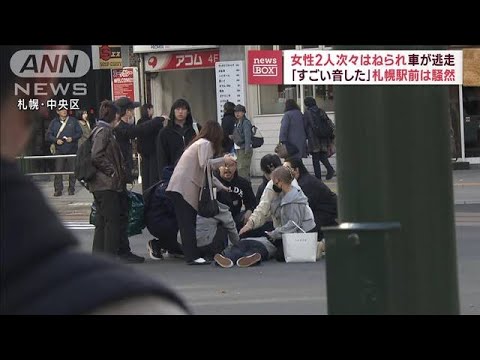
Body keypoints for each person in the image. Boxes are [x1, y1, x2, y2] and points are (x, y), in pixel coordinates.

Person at [0, 45, 189, 314]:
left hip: (104, 186)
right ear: (42, 81)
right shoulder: (127, 304)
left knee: (105, 220)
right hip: (106, 185)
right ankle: (111, 256)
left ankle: (110, 254)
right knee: (111, 221)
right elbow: (110, 149)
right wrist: (113, 173)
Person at [166, 120, 236, 265]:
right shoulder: (205, 144)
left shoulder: (199, 143)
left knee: (188, 222)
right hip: (184, 188)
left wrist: (221, 186)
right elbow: (205, 165)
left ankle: (191, 255)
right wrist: (224, 160)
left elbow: (206, 171)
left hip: (179, 187)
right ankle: (192, 257)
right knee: (188, 223)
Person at [265, 166, 316, 261]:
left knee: (279, 256)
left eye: (273, 181)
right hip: (294, 232)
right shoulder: (286, 194)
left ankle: (317, 246)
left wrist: (275, 233)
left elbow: (294, 224)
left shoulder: (294, 200)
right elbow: (277, 213)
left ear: (278, 181)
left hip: (302, 233)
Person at [283, 157, 338, 239]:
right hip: (322, 211)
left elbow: (304, 208)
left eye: (287, 170)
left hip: (326, 213)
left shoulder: (306, 183)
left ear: (296, 170)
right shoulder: (301, 181)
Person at [156, 98, 200, 177]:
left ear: (188, 112)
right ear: (173, 111)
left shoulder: (195, 129)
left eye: (183, 109)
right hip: (173, 174)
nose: (180, 112)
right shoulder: (165, 132)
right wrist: (163, 177)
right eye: (178, 109)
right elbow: (161, 157)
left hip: (193, 173)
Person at [45, 104, 82, 196]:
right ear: (58, 112)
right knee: (58, 170)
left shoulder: (73, 121)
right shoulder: (54, 122)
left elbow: (79, 132)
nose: (64, 111)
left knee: (72, 170)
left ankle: (71, 189)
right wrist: (56, 140)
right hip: (59, 150)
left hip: (72, 149)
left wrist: (72, 138)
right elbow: (48, 135)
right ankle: (58, 190)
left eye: (65, 109)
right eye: (61, 109)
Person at [215, 158, 257, 231]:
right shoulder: (212, 183)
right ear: (218, 167)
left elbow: (252, 202)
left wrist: (249, 211)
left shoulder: (243, 183)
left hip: (235, 217)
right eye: (224, 165)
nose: (227, 168)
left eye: (231, 165)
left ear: (236, 166)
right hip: (217, 220)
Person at [304, 96, 335, 180]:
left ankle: (318, 178)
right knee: (322, 156)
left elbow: (305, 125)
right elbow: (328, 122)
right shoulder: (321, 110)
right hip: (323, 138)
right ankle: (330, 169)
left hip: (313, 138)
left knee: (315, 159)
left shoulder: (307, 113)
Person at [137, 103, 163, 192]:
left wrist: (139, 150)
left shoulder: (139, 122)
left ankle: (146, 194)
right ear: (148, 110)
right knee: (153, 176)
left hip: (144, 152)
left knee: (146, 176)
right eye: (152, 109)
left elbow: (139, 138)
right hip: (153, 152)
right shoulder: (155, 123)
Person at [232, 104, 253, 180]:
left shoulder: (245, 122)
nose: (237, 114)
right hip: (239, 148)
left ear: (243, 113)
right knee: (240, 168)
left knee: (242, 169)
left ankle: (245, 186)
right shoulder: (238, 122)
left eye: (239, 112)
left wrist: (247, 149)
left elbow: (248, 136)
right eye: (235, 112)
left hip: (244, 148)